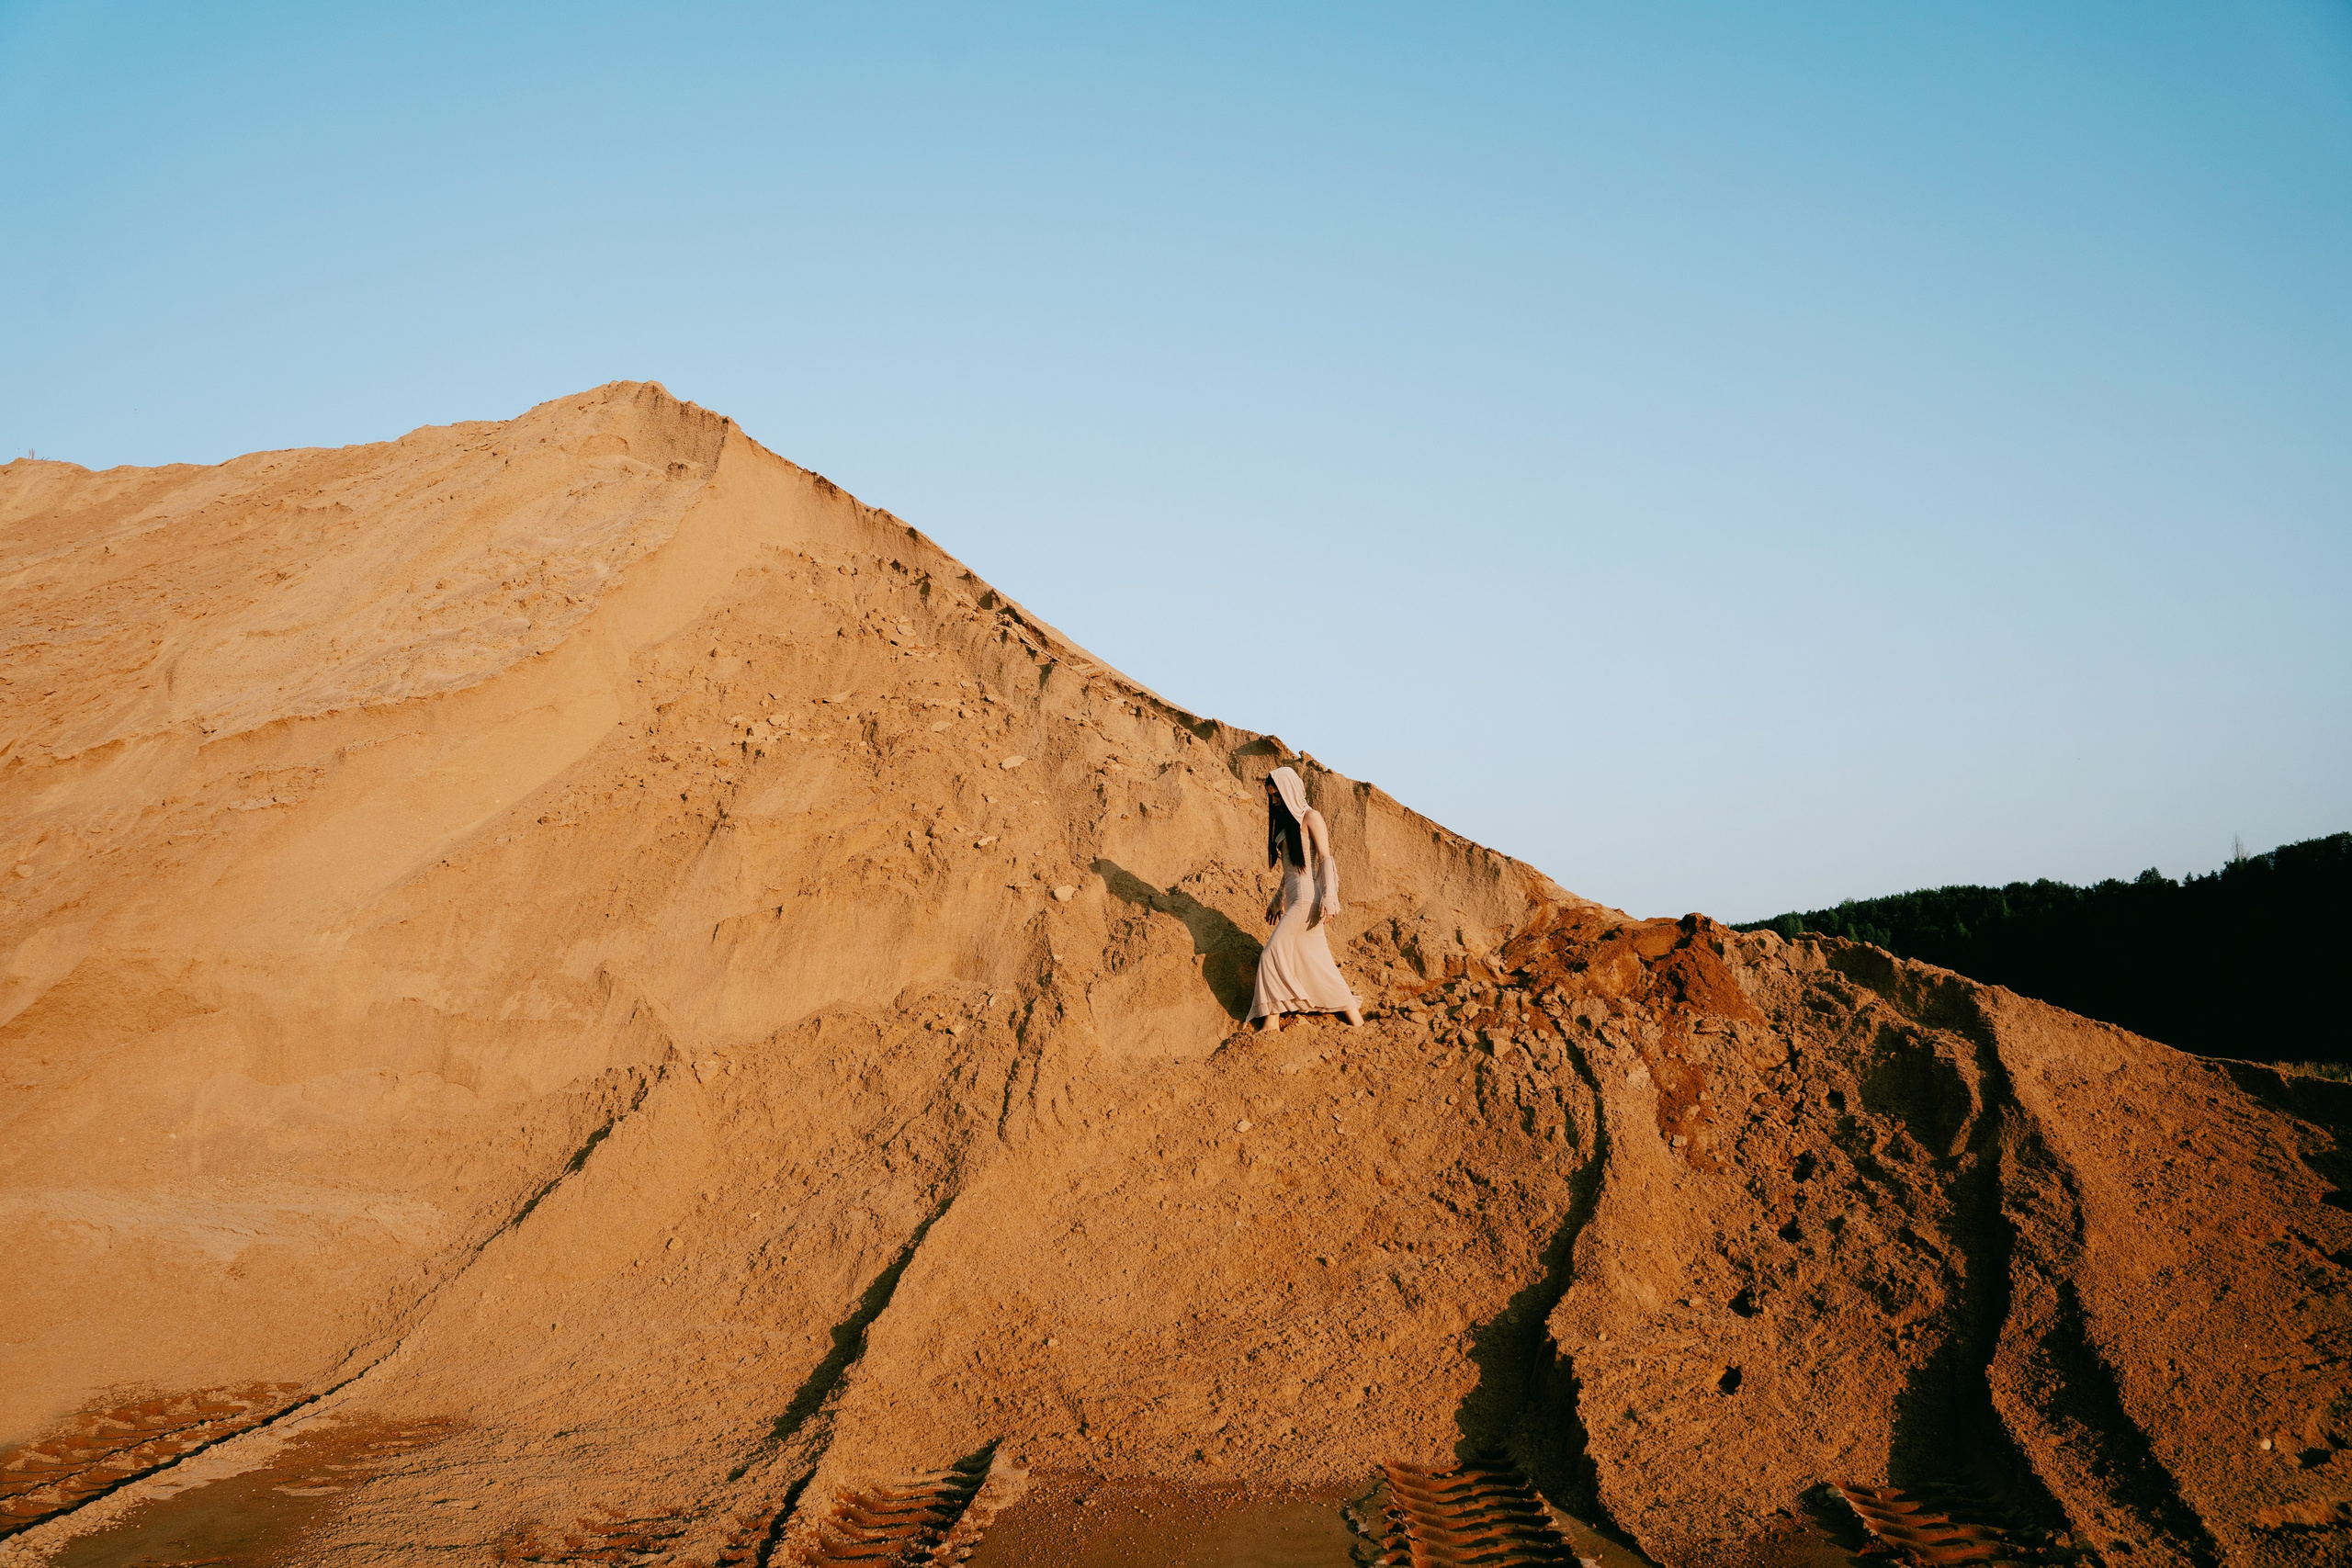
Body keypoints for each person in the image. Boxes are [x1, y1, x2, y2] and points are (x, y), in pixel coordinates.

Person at [1250, 765, 1363, 1032]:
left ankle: (1271, 1021)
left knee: (1270, 955)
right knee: (1317, 961)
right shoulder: (1286, 823)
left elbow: (1325, 859)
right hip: (1295, 896)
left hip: (1308, 900)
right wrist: (1278, 899)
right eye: (1272, 797)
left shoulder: (1311, 817)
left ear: (1289, 790)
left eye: (1277, 795)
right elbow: (1289, 870)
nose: (1274, 801)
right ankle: (1356, 1020)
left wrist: (1330, 897)